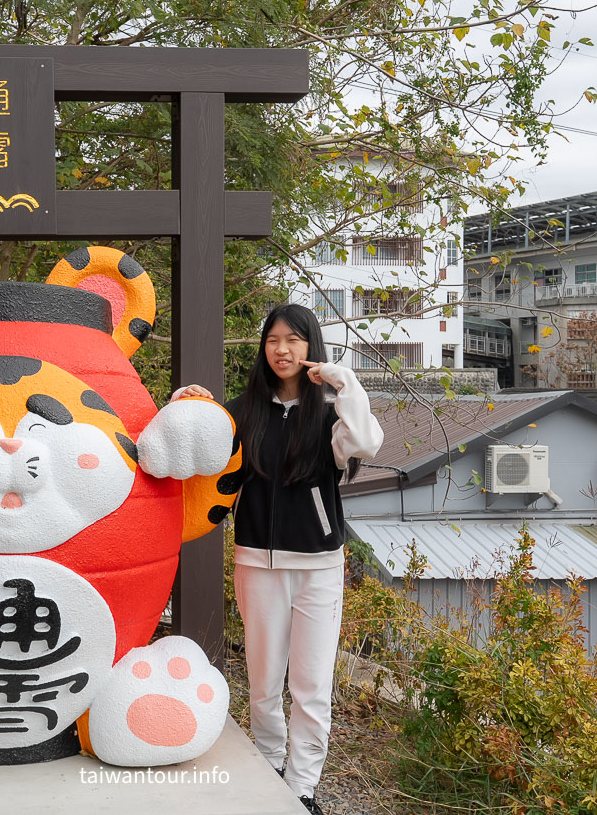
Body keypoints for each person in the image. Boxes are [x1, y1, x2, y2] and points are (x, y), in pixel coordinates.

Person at [177, 304, 383, 815]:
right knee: (265, 680)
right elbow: (201, 442)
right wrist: (191, 403)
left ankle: (302, 787)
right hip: (257, 564)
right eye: (273, 340)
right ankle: (269, 767)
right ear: (263, 347)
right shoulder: (243, 411)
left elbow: (368, 442)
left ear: (310, 346)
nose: (282, 349)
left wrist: (342, 380)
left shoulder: (331, 414)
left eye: (294, 340)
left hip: (318, 568)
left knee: (310, 686)